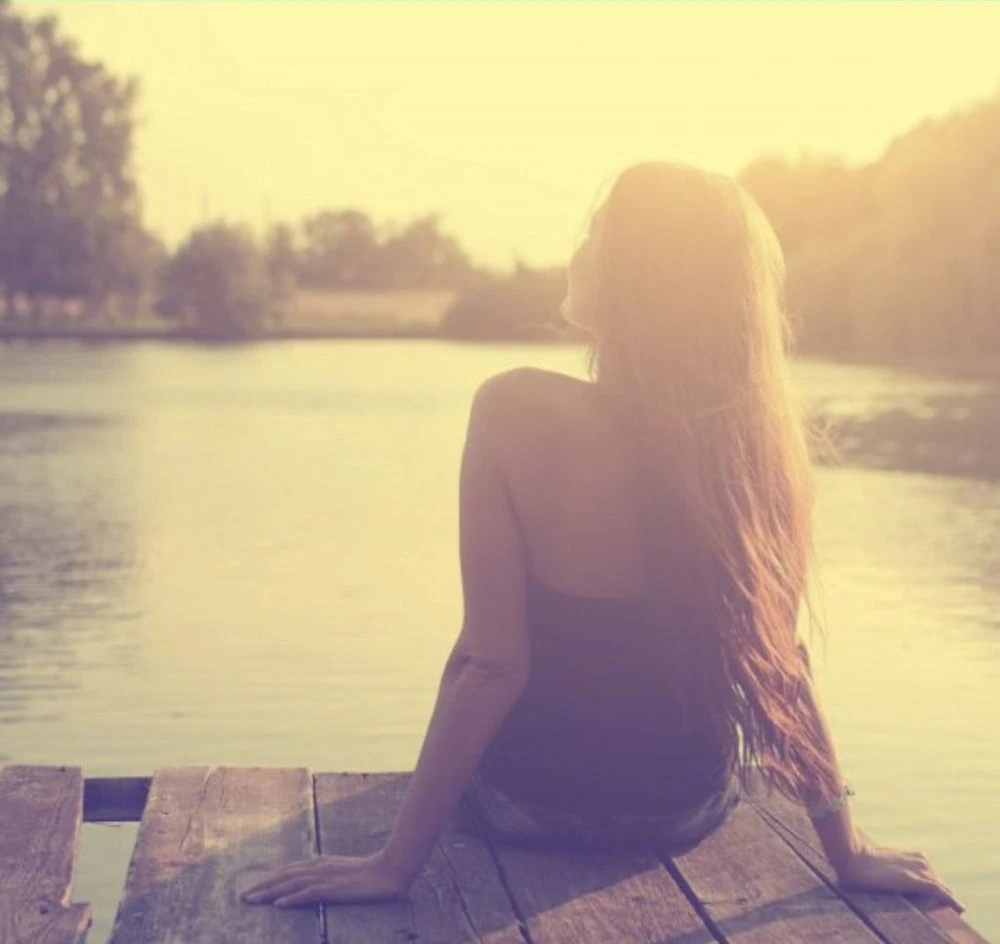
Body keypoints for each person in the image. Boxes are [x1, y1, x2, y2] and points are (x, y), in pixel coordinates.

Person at [242, 161, 962, 912]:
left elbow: (491, 665)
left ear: (634, 276)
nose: (577, 250)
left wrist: (392, 865)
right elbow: (784, 666)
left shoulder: (513, 408)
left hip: (525, 804)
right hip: (683, 808)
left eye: (596, 234)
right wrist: (847, 852)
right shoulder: (750, 444)